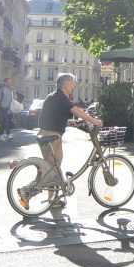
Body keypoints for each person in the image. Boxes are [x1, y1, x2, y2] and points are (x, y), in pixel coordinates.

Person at [38, 73, 101, 208]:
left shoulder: (55, 97)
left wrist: (71, 122)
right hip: (52, 136)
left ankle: (53, 199)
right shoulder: (61, 97)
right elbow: (76, 110)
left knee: (53, 168)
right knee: (53, 169)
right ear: (66, 85)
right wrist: (95, 121)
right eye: (73, 83)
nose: (74, 85)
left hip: (49, 133)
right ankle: (46, 197)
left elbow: (54, 116)